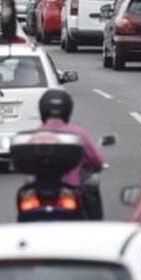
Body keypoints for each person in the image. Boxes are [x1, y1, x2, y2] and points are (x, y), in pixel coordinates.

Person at [35, 89, 106, 220]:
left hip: (39, 191)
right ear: (68, 109)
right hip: (72, 189)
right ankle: (96, 229)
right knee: (92, 188)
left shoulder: (35, 135)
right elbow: (97, 161)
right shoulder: (78, 133)